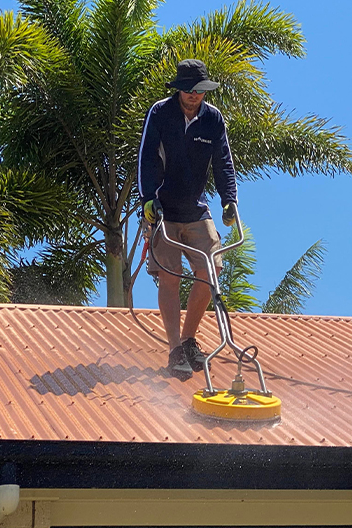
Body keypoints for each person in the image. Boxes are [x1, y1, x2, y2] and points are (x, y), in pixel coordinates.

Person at [137, 59, 238, 381]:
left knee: (211, 270)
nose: (194, 95)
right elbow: (147, 156)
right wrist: (148, 198)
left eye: (199, 90)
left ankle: (188, 340)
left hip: (196, 208)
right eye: (188, 89)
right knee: (170, 276)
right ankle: (174, 350)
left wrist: (229, 200)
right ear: (179, 89)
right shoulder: (160, 113)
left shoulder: (212, 119)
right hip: (162, 209)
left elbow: (223, 162)